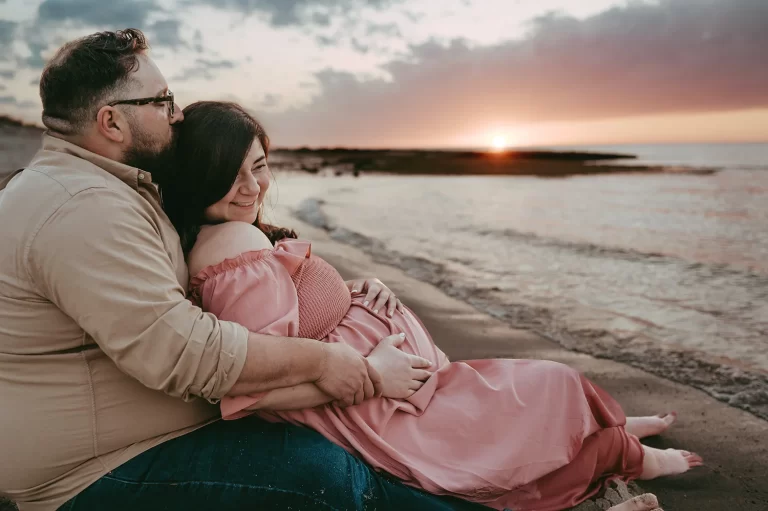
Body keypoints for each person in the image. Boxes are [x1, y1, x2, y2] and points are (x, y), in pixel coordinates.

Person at [0, 29, 493, 511]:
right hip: (94, 473)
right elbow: (180, 352)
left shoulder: (96, 189)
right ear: (111, 122)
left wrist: (344, 293)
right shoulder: (81, 206)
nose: (176, 115)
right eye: (163, 101)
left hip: (126, 447)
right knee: (321, 477)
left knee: (339, 462)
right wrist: (330, 364)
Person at [158, 100, 703, 511]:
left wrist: (349, 291)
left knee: (538, 396)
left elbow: (288, 314)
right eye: (230, 172)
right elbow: (251, 389)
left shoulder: (234, 233)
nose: (252, 186)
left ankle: (616, 434)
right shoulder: (233, 243)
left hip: (399, 394)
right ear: (196, 176)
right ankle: (629, 453)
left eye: (259, 166)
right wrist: (372, 374)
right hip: (381, 409)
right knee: (549, 387)